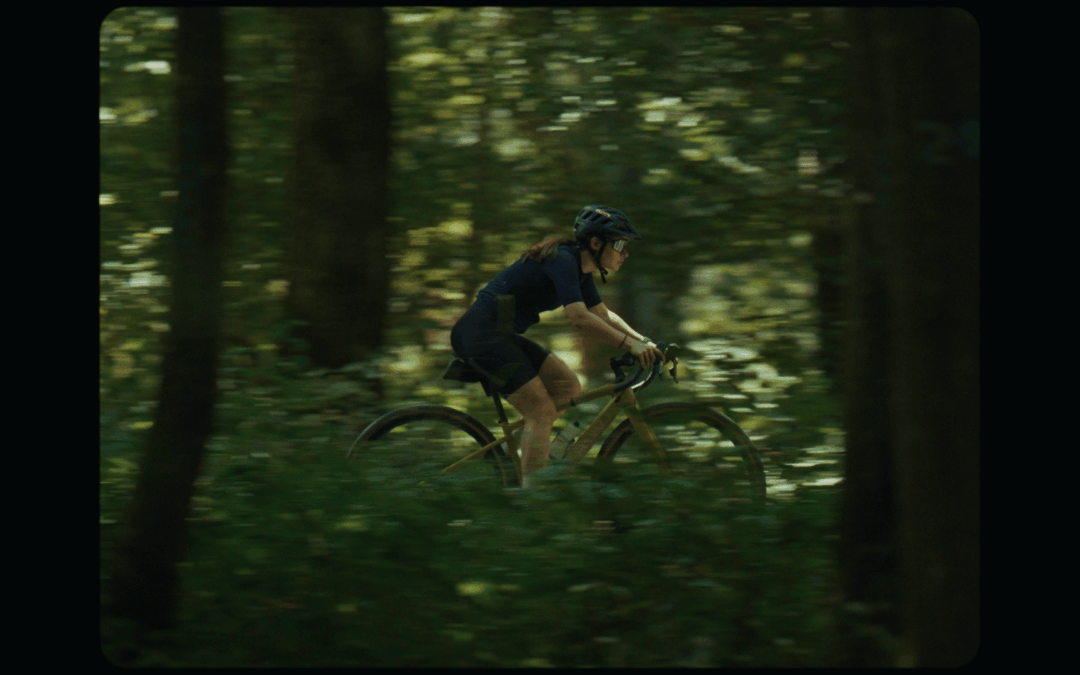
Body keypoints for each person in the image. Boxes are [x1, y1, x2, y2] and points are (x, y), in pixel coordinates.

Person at [450, 205, 665, 488]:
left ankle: (528, 459)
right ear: (596, 243)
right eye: (619, 245)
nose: (625, 253)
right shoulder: (563, 260)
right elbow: (580, 319)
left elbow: (602, 315)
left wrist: (643, 342)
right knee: (540, 411)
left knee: (568, 387)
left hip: (499, 336)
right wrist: (630, 346)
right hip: (479, 337)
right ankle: (532, 499)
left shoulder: (581, 270)